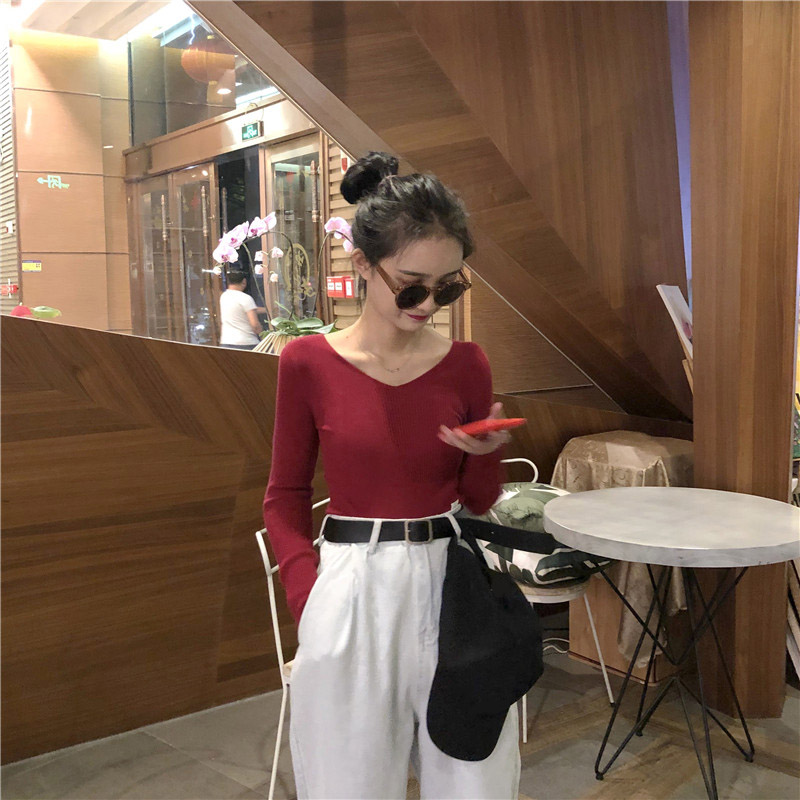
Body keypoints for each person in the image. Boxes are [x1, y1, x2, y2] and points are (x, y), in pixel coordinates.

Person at [263, 152, 517, 799]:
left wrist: (484, 456)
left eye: (447, 287)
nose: (428, 303)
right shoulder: (307, 363)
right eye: (411, 285)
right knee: (347, 782)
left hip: (451, 580)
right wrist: (309, 599)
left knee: (473, 779)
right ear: (362, 265)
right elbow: (284, 496)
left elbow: (478, 499)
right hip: (351, 586)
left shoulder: (467, 364)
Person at [219, 269, 264, 349]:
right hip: (246, 343)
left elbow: (243, 310)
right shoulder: (245, 298)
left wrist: (267, 310)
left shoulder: (224, 296)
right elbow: (255, 325)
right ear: (244, 281)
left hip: (226, 343)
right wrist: (264, 337)